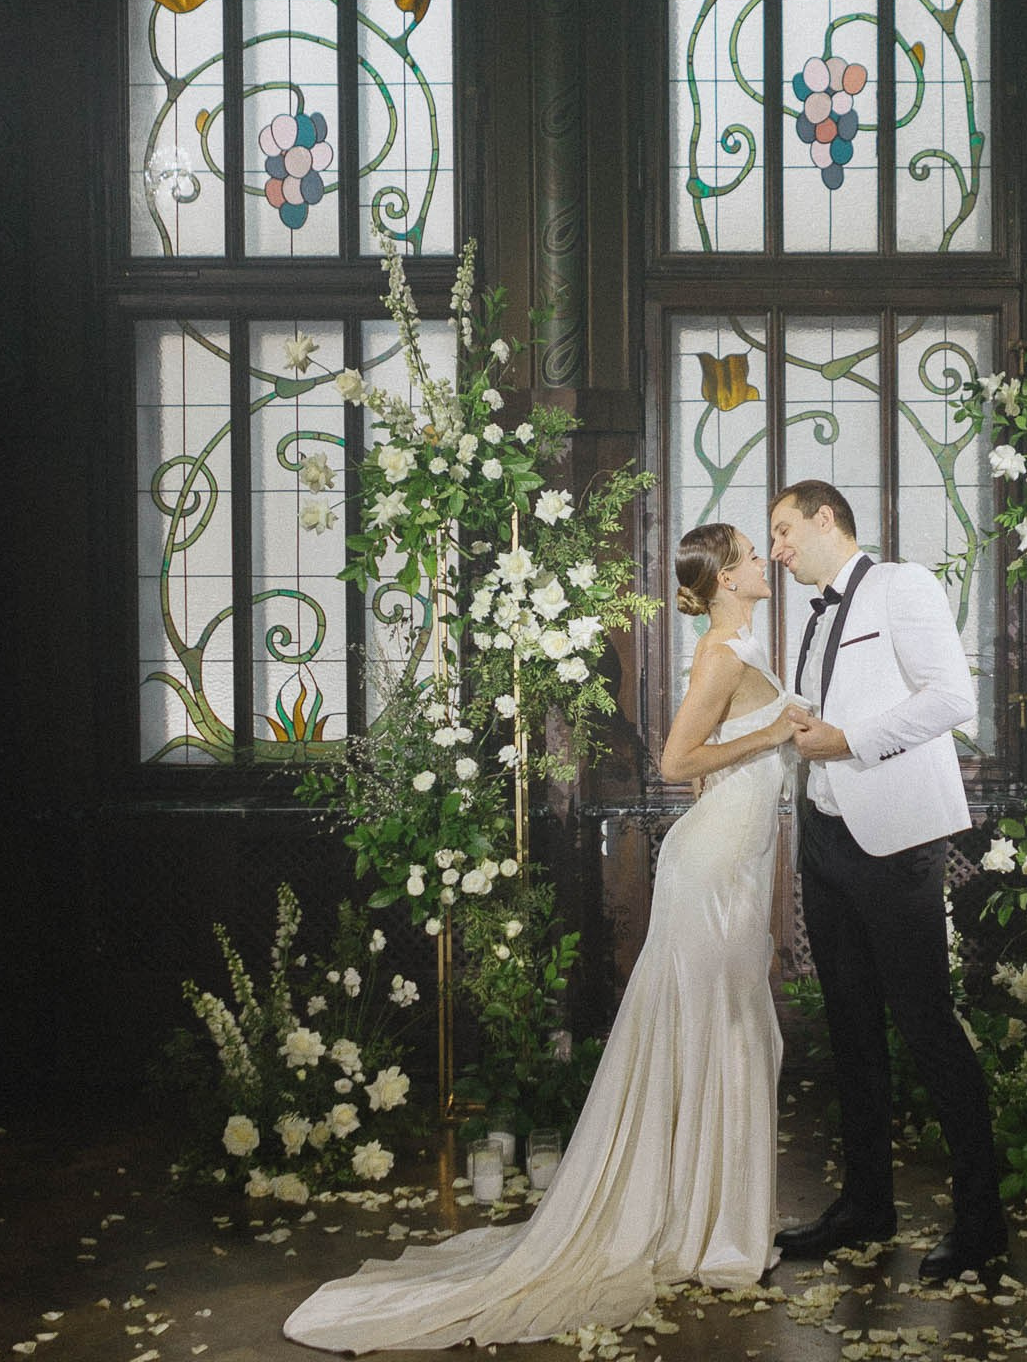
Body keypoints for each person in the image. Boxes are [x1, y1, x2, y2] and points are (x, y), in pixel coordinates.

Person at [283, 523, 797, 1351]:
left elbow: (722, 762)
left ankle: (718, 1220)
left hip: (733, 864)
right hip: (707, 875)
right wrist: (773, 735)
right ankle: (699, 1227)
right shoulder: (721, 656)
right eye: (748, 552)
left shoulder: (743, 645)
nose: (762, 560)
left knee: (737, 1027)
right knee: (710, 1025)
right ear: (727, 577)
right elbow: (675, 760)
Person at [773, 479, 1010, 1283]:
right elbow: (815, 718)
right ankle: (866, 1205)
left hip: (897, 842)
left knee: (926, 1025)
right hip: (827, 839)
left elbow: (952, 697)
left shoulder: (903, 585)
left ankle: (983, 1221)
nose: (776, 551)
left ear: (826, 517)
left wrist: (848, 741)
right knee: (849, 1029)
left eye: (784, 531)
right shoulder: (812, 617)